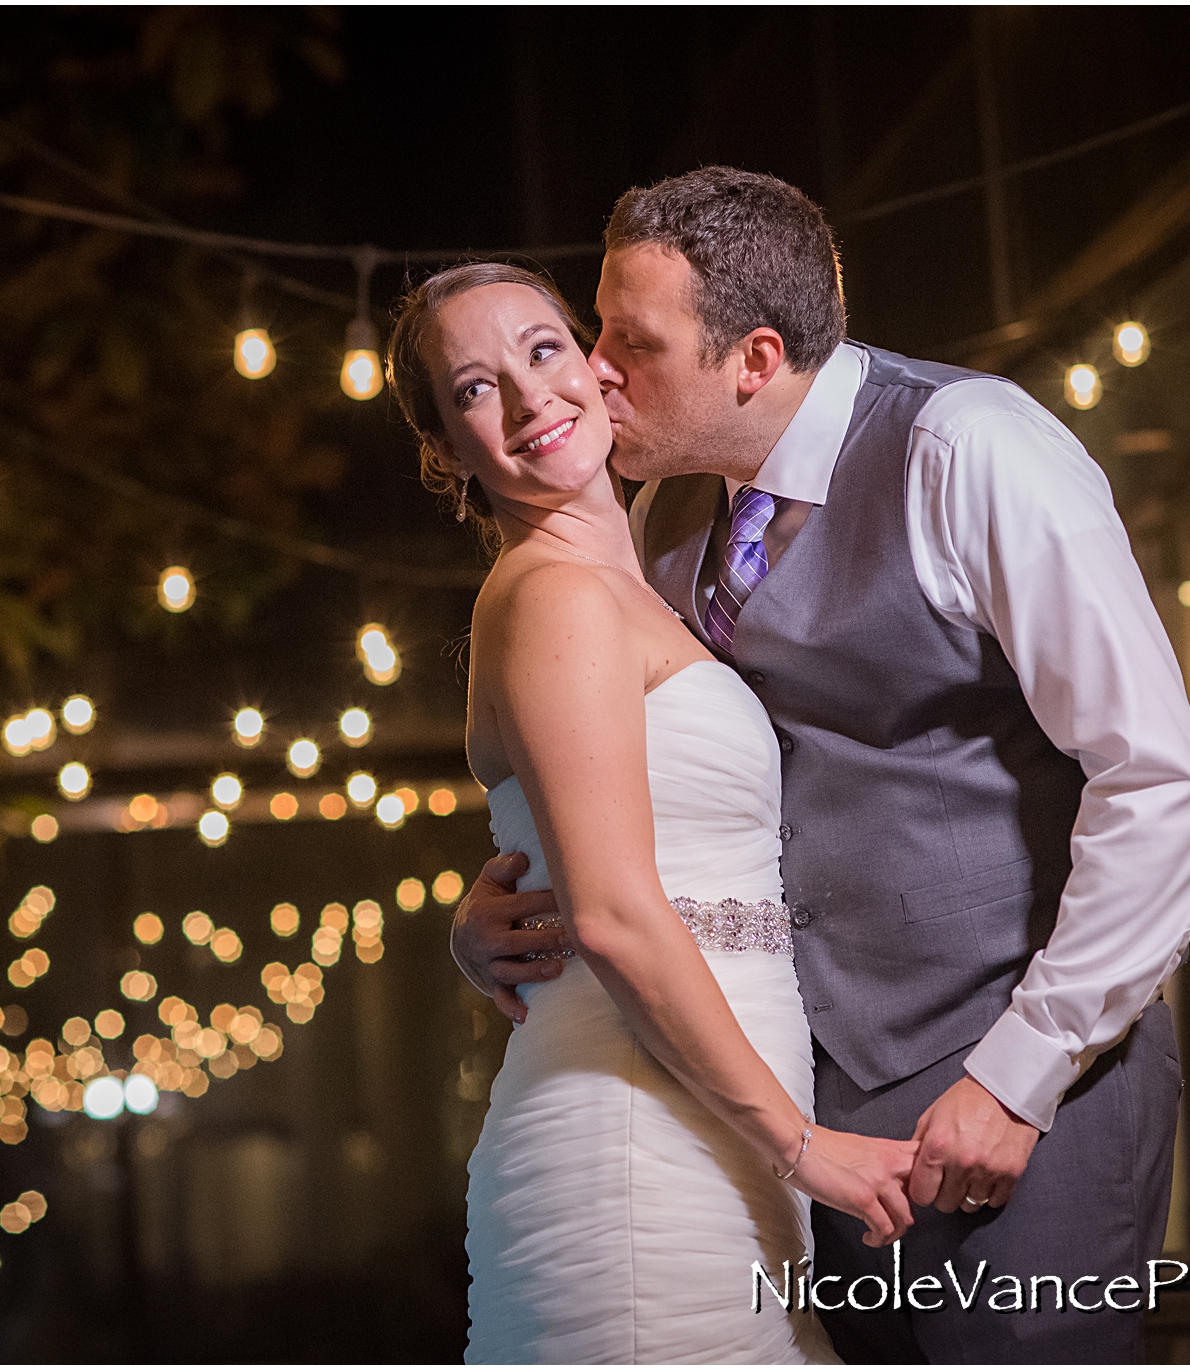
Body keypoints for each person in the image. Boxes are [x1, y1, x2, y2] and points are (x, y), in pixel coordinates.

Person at [451, 168, 1190, 1363]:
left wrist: (1017, 1074)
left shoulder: (970, 449)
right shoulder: (652, 523)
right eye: (593, 327)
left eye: (629, 341)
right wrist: (497, 905)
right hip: (798, 1107)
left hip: (1017, 1079)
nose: (595, 369)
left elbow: (1158, 781)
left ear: (752, 359)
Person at [386, 261, 919, 1363]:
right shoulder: (554, 596)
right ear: (446, 449)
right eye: (475, 388)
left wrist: (473, 927)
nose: (531, 398)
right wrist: (803, 1147)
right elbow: (619, 916)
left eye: (541, 349)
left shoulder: (649, 567)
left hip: (707, 1137)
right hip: (635, 1148)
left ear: (592, 357)